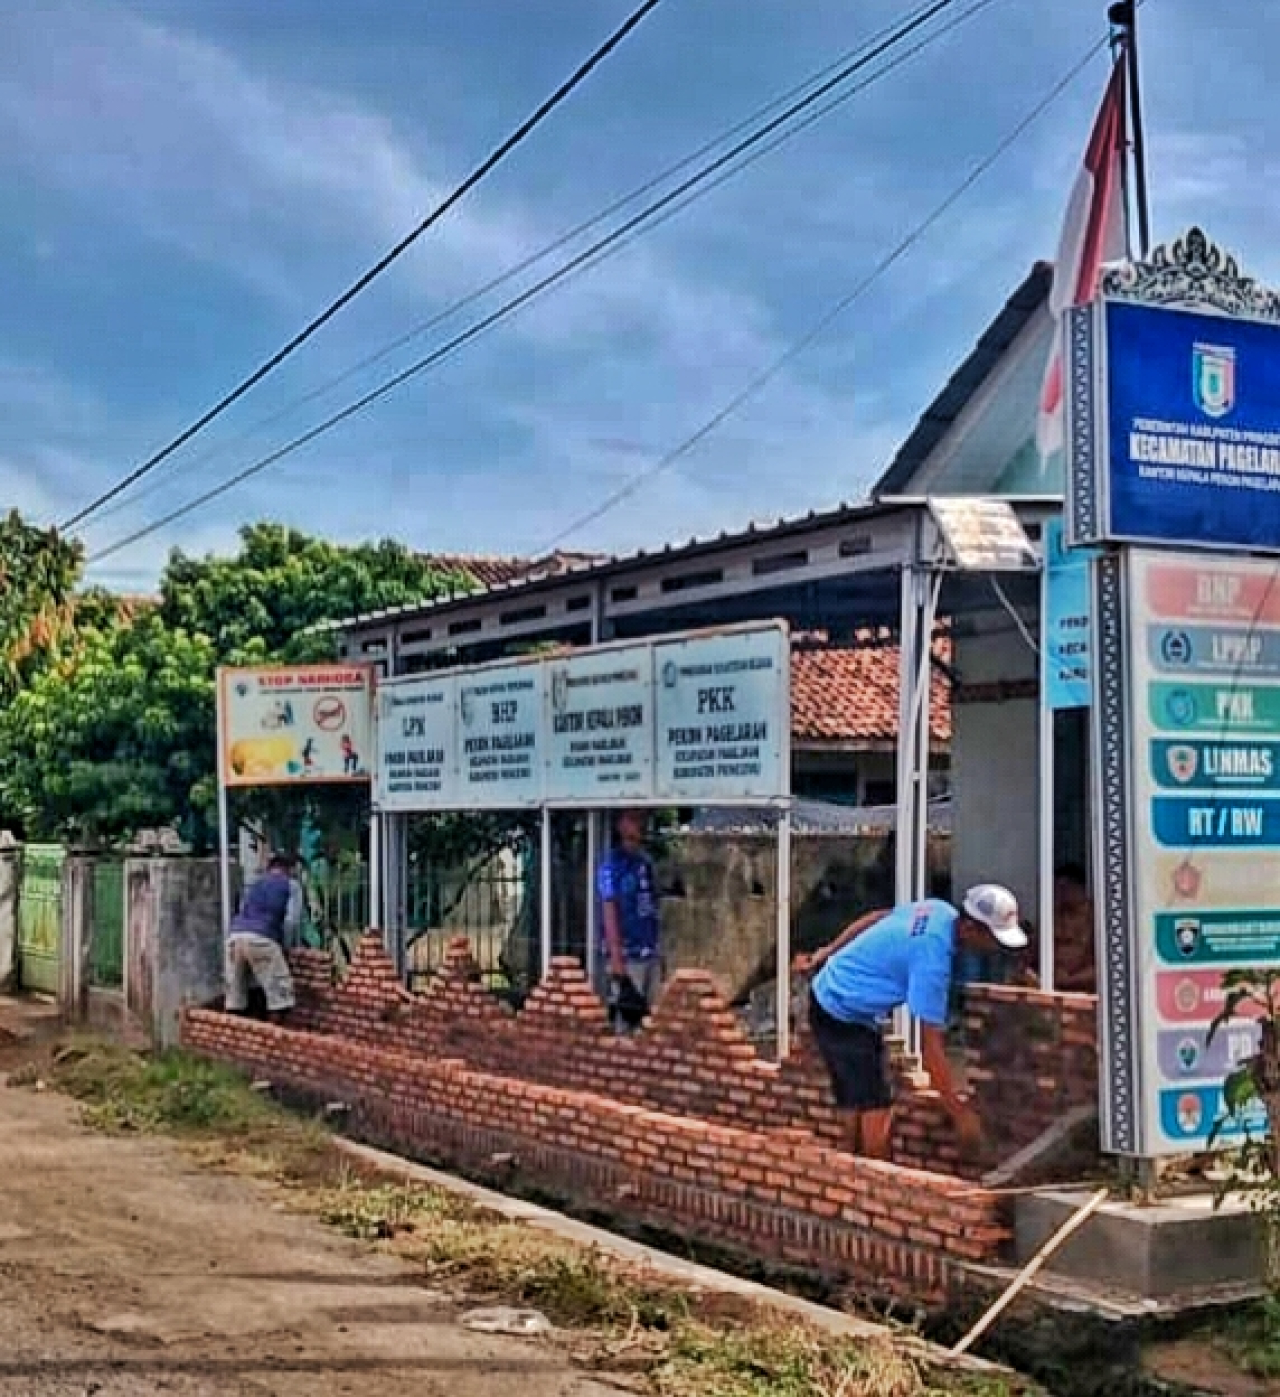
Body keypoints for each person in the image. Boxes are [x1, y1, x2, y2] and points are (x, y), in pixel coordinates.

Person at [797, 885, 1027, 1161]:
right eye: (993, 939)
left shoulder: (937, 909)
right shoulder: (931, 961)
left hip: (832, 994)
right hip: (842, 1010)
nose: (995, 947)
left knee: (856, 1092)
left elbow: (876, 918)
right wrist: (958, 1113)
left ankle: (849, 1161)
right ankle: (874, 1179)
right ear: (969, 927)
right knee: (877, 1104)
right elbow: (929, 1046)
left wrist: (829, 950)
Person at [597, 811, 662, 1032]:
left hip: (649, 952)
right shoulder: (611, 866)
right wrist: (617, 959)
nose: (640, 825)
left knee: (651, 1021)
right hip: (627, 955)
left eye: (641, 818)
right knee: (626, 1017)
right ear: (620, 825)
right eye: (633, 819)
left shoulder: (645, 862)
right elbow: (609, 909)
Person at [225, 853, 303, 1022]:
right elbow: (291, 921)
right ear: (289, 869)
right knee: (279, 996)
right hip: (263, 938)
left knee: (236, 996)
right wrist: (285, 947)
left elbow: (242, 908)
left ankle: (234, 1036)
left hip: (235, 937)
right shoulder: (291, 885)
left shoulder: (255, 883)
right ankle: (276, 1037)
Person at [1053, 863, 1096, 993]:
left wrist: (1070, 980)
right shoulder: (1053, 917)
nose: (1059, 893)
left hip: (1088, 995)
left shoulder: (1097, 919)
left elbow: (1109, 968)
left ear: (1079, 888)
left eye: (1064, 888)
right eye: (1057, 888)